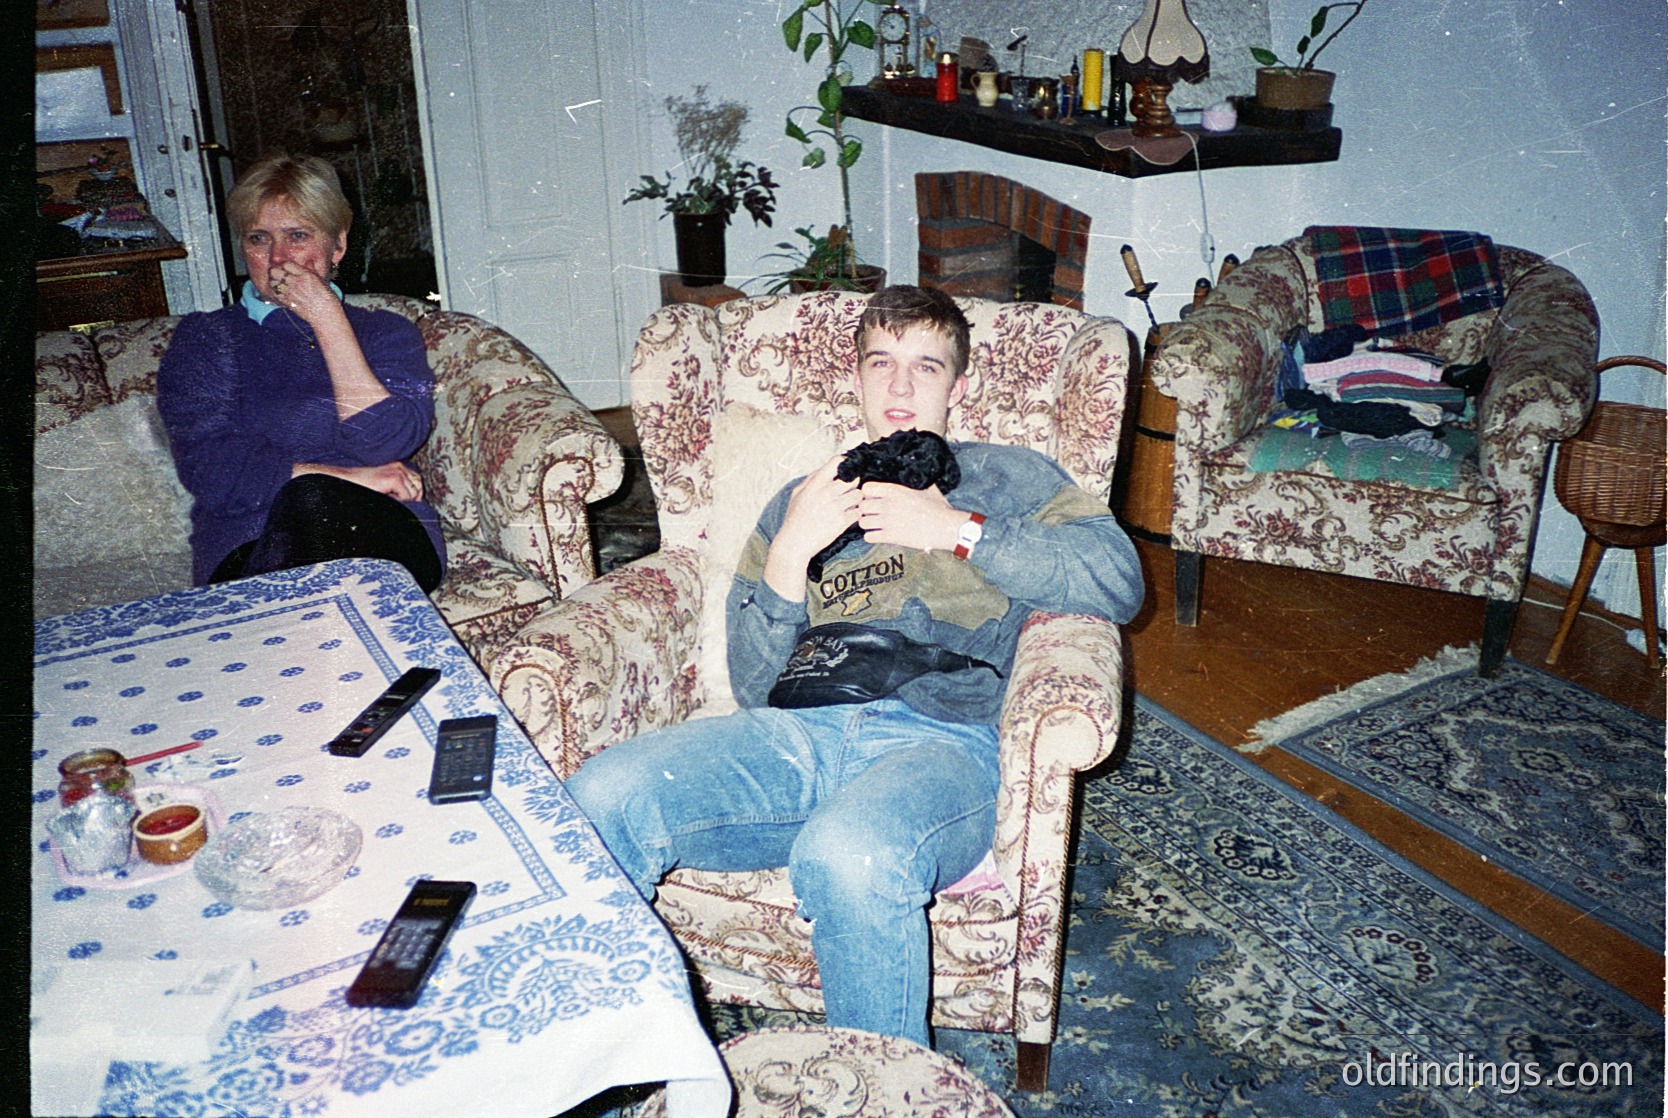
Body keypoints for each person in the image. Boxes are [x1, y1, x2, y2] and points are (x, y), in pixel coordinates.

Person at [566, 284, 1143, 1046]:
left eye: (926, 367)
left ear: (958, 385)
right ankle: (622, 1062)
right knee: (596, 797)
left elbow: (1120, 583)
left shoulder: (1013, 476)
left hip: (944, 743)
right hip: (796, 736)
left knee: (850, 853)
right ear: (858, 379)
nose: (901, 387)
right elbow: (751, 687)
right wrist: (791, 554)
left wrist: (959, 530)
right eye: (882, 364)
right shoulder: (800, 500)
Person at [157, 153, 443, 593]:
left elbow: (388, 440)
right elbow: (211, 471)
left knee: (319, 509)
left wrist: (327, 317)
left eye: (298, 236)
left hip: (385, 532)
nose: (277, 258)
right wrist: (347, 477)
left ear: (338, 246)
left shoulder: (387, 333)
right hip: (252, 545)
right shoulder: (208, 338)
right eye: (258, 238)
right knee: (311, 503)